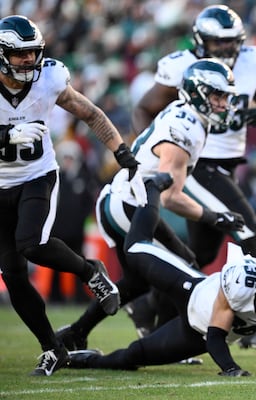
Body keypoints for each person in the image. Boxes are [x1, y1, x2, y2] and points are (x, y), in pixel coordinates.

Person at [55, 59, 246, 357]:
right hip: (130, 205)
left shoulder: (189, 117)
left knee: (144, 279)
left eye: (225, 96)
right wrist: (214, 216)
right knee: (182, 271)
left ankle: (76, 332)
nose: (223, 103)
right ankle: (166, 341)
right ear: (198, 93)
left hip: (130, 200)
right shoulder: (186, 128)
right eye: (217, 95)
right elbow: (171, 197)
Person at [131, 4, 256, 350]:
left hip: (226, 166)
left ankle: (149, 307)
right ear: (201, 42)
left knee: (197, 256)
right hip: (198, 163)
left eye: (232, 43)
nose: (227, 50)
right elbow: (144, 107)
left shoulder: (251, 62)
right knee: (250, 230)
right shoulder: (182, 67)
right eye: (219, 43)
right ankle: (253, 323)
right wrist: (149, 153)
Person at [0, 15, 146, 376]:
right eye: (21, 55)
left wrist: (121, 152)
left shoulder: (49, 79)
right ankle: (54, 348)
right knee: (14, 274)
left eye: (34, 53)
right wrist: (5, 138)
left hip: (37, 176)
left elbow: (91, 114)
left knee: (31, 244)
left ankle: (90, 271)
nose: (30, 61)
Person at [65, 177, 256, 377]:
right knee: (136, 250)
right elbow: (217, 333)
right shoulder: (243, 279)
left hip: (196, 333)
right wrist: (231, 368)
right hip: (193, 290)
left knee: (134, 356)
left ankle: (84, 360)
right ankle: (152, 189)